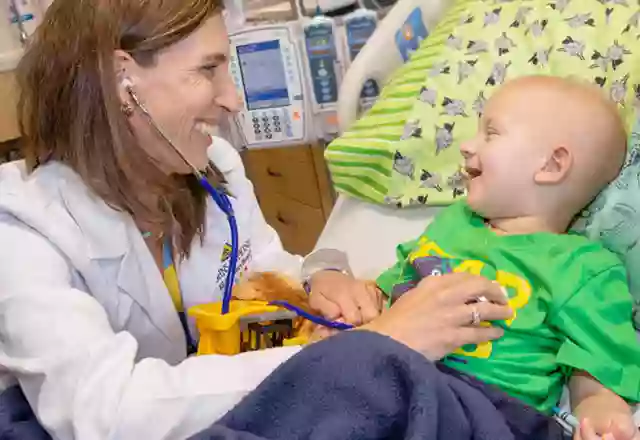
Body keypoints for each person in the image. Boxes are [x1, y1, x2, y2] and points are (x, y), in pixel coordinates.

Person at [0, 0, 514, 438]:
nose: (232, 98)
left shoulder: (213, 166)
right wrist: (369, 349)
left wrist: (321, 275)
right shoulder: (21, 227)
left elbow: (263, 269)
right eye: (208, 69)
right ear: (122, 82)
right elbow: (102, 414)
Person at [372, 76, 640, 440]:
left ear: (551, 165)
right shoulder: (453, 223)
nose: (467, 146)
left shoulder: (581, 267)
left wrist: (599, 411)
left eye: (491, 133)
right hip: (396, 378)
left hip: (490, 410)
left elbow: (599, 366)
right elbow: (388, 289)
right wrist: (347, 291)